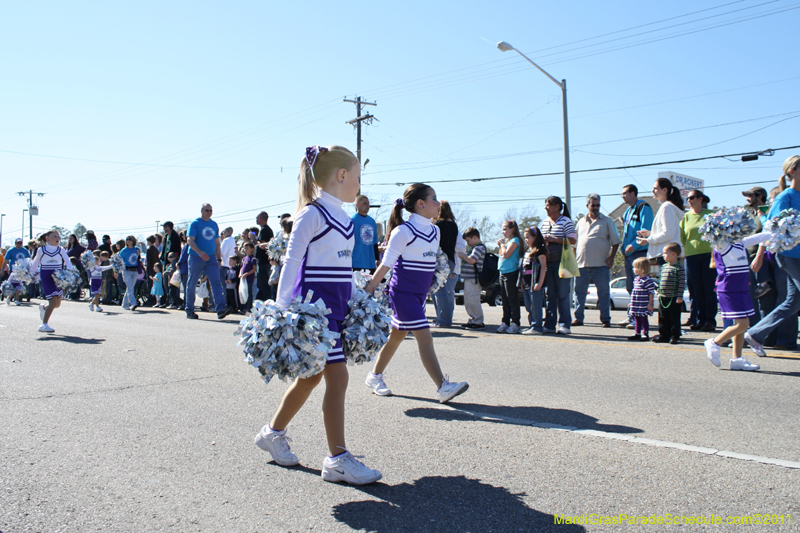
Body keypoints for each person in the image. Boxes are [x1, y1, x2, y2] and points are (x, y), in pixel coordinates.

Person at [254, 144, 381, 485]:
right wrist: (280, 311)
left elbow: (342, 266)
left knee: (310, 378)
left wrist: (359, 295)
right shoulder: (312, 214)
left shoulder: (344, 217)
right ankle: (337, 458)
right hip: (315, 314)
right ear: (342, 176)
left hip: (337, 309)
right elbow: (292, 263)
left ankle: (272, 432)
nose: (359, 184)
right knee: (337, 379)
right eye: (357, 177)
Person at [364, 183, 469, 404]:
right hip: (402, 293)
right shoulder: (403, 231)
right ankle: (442, 386)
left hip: (420, 295)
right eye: (433, 198)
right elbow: (386, 264)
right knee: (425, 337)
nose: (438, 203)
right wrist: (371, 286)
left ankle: (374, 376)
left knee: (396, 337)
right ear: (420, 204)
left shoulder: (435, 230)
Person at [745, 155, 800, 358]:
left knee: (793, 302)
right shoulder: (785, 197)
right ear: (792, 171)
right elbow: (770, 229)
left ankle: (755, 334)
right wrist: (759, 255)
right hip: (789, 255)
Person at [703, 229, 773, 371]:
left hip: (741, 289)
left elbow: (764, 236)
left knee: (741, 325)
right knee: (743, 324)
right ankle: (714, 343)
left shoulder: (740, 243)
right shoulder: (721, 246)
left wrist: (782, 229)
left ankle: (737, 359)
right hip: (729, 290)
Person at [573, 193, 620, 328]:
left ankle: (605, 319)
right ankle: (578, 318)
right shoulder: (581, 222)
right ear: (587, 206)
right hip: (582, 264)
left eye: (598, 205)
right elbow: (574, 244)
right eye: (593, 205)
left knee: (604, 293)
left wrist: (611, 257)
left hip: (601, 264)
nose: (595, 207)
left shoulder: (607, 221)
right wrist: (575, 260)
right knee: (579, 293)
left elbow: (616, 241)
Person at [185, 204, 234, 320]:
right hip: (196, 256)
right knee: (192, 282)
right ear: (202, 211)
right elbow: (189, 240)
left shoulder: (213, 224)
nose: (209, 212)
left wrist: (218, 259)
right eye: (206, 210)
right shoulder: (195, 223)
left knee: (216, 282)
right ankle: (189, 309)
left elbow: (217, 243)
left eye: (211, 210)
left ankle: (221, 308)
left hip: (211, 257)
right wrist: (199, 252)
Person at [681, 190, 717, 332]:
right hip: (692, 255)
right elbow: (683, 237)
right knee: (695, 289)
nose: (689, 200)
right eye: (688, 198)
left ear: (700, 199)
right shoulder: (686, 217)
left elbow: (716, 234)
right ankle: (699, 319)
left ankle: (710, 320)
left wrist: (715, 255)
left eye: (692, 197)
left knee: (708, 289)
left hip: (708, 255)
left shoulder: (709, 215)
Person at [540, 196, 577, 334]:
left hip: (563, 263)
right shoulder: (544, 223)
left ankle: (565, 324)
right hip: (547, 264)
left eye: (548, 205)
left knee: (562, 294)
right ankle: (549, 324)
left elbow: (573, 239)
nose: (546, 208)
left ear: (557, 206)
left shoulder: (566, 221)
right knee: (550, 295)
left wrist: (555, 239)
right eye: (545, 205)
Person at [619, 185, 654, 328]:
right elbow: (627, 232)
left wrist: (635, 244)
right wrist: (623, 247)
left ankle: (640, 318)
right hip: (629, 254)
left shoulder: (643, 207)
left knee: (641, 288)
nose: (623, 196)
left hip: (639, 253)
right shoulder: (628, 211)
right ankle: (631, 315)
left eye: (625, 193)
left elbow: (646, 230)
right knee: (631, 286)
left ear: (633, 193)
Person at [29, 230, 73, 333]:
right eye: (54, 236)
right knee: (52, 302)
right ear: (47, 238)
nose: (57, 238)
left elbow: (67, 261)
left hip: (58, 278)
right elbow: (36, 262)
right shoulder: (42, 250)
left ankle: (44, 308)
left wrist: (71, 272)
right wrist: (30, 272)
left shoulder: (60, 249)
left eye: (58, 236)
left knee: (57, 304)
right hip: (47, 277)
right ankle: (43, 324)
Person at [636, 178, 684, 264]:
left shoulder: (667, 207)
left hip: (667, 254)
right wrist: (649, 233)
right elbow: (670, 232)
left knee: (668, 278)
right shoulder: (669, 207)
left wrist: (648, 240)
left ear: (665, 190)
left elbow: (668, 233)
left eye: (655, 188)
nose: (652, 191)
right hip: (671, 254)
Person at [432, 200, 460, 328]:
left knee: (439, 291)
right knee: (445, 291)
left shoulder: (437, 225)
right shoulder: (454, 225)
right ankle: (443, 318)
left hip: (439, 260)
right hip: (451, 260)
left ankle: (444, 320)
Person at [653, 243, 685, 344]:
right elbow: (661, 281)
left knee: (674, 317)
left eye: (665, 253)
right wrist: (659, 292)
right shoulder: (664, 267)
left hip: (674, 297)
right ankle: (663, 335)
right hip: (663, 297)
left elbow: (681, 283)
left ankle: (674, 336)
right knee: (663, 317)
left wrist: (679, 296)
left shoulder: (679, 268)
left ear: (674, 254)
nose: (663, 255)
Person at [496, 220, 523, 334]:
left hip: (511, 272)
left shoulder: (515, 240)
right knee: (505, 300)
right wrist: (502, 245)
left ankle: (515, 322)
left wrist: (502, 245)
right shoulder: (507, 242)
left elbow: (507, 254)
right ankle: (505, 322)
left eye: (505, 229)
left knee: (512, 299)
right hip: (503, 272)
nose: (503, 232)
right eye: (502, 229)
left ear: (512, 229)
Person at [520, 227, 548, 335]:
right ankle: (532, 324)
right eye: (525, 237)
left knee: (535, 306)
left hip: (535, 283)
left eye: (528, 237)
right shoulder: (527, 251)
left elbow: (543, 266)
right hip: (527, 283)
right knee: (528, 305)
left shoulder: (540, 250)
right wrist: (522, 282)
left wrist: (540, 282)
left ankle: (537, 326)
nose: (526, 239)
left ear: (535, 237)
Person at [457, 227, 486, 330]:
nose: (468, 243)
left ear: (475, 237)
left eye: (468, 240)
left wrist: (463, 255)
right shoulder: (474, 248)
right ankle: (473, 319)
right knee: (468, 300)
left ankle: (478, 321)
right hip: (469, 278)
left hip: (474, 279)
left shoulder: (479, 248)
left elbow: (472, 260)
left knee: (473, 300)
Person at [627, 257, 657, 341]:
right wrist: (631, 302)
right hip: (636, 303)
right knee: (636, 319)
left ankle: (645, 333)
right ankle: (637, 333)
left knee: (643, 318)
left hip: (643, 303)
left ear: (642, 269)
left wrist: (650, 304)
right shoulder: (636, 279)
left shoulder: (648, 280)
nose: (633, 269)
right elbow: (634, 292)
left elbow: (651, 292)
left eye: (635, 267)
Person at [351, 195, 378, 272]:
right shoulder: (352, 220)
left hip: (370, 264)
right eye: (364, 203)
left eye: (368, 203)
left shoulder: (372, 221)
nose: (367, 206)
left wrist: (377, 259)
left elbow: (375, 243)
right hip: (356, 263)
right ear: (357, 205)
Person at [254, 211, 275, 301]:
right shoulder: (268, 229)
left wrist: (256, 241)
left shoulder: (264, 229)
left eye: (256, 217)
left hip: (263, 261)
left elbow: (263, 244)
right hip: (265, 261)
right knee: (263, 283)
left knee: (263, 284)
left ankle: (265, 301)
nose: (256, 219)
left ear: (260, 218)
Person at [119, 236, 142, 311]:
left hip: (135, 270)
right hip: (126, 270)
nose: (128, 241)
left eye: (130, 240)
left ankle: (125, 304)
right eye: (127, 240)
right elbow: (119, 260)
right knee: (130, 288)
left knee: (130, 288)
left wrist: (139, 255)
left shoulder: (136, 249)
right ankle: (133, 303)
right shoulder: (124, 250)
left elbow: (138, 259)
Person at [219, 226, 237, 306]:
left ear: (226, 231)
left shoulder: (226, 240)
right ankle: (230, 303)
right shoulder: (233, 240)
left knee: (224, 285)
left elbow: (222, 253)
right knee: (229, 287)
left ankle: (225, 303)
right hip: (231, 265)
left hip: (225, 265)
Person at [238, 242, 256, 312]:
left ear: (252, 249)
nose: (245, 250)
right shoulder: (244, 258)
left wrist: (246, 274)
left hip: (248, 278)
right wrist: (240, 274)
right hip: (243, 279)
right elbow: (242, 267)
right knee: (243, 293)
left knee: (248, 293)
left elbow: (254, 269)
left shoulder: (252, 258)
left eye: (247, 248)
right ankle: (243, 307)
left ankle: (248, 308)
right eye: (244, 248)